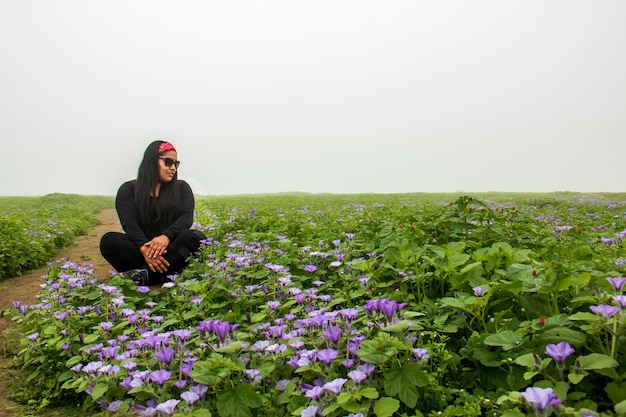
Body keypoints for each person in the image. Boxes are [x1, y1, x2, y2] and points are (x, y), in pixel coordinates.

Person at [100, 140, 205, 284]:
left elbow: (186, 218)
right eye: (168, 162)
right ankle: (165, 273)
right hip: (141, 249)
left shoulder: (181, 188)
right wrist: (144, 247)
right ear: (152, 161)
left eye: (176, 164)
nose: (173, 168)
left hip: (172, 247)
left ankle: (145, 275)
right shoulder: (128, 190)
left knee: (195, 237)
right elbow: (130, 224)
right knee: (109, 241)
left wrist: (165, 237)